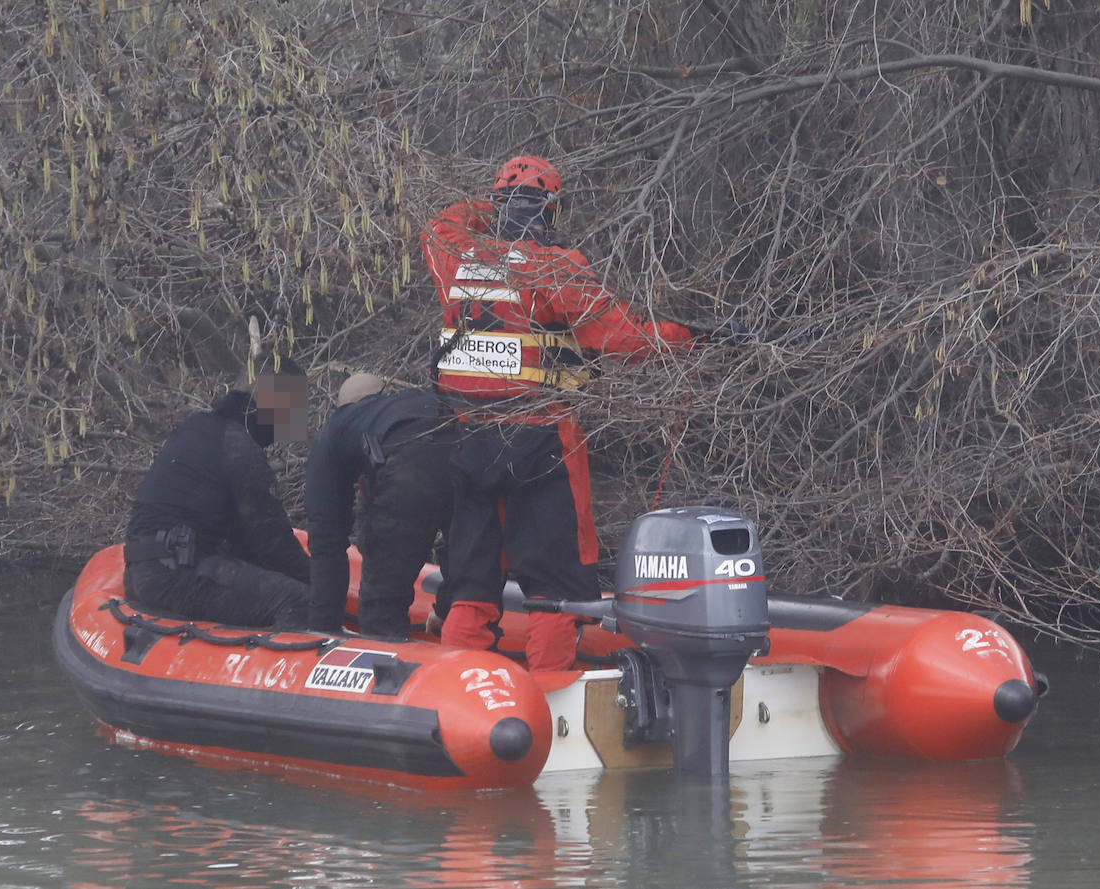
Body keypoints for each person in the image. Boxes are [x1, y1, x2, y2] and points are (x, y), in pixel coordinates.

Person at [421, 154, 693, 671]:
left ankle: (457, 689)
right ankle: (550, 699)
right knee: (555, 588)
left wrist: (496, 205)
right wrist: (691, 337)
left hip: (467, 437)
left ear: (498, 202)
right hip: (541, 439)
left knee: (471, 584)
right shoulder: (557, 266)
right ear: (550, 209)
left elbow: (444, 219)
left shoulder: (452, 251)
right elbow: (626, 339)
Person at [122, 355, 311, 629]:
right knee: (297, 601)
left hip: (146, 569)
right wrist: (320, 585)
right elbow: (271, 543)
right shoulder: (238, 449)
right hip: (173, 574)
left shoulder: (198, 428)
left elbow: (246, 540)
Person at [304, 373, 456, 639]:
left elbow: (326, 538)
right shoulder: (411, 404)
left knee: (382, 602)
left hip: (409, 463)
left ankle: (385, 663)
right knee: (470, 562)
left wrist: (323, 628)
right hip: (465, 443)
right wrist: (446, 604)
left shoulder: (336, 429)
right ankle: (462, 635)